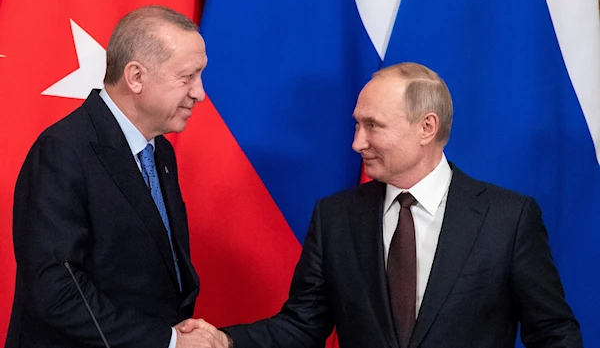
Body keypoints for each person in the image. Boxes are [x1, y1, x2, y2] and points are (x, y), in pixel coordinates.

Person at [182, 62, 583, 347]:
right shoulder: (335, 217)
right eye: (357, 124)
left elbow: (553, 333)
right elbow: (303, 326)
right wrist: (224, 340)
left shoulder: (507, 218)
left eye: (372, 125)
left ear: (426, 127)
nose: (357, 142)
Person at [5, 5, 225, 348]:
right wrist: (167, 341)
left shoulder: (160, 151)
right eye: (187, 78)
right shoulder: (63, 150)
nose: (199, 93)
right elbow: (57, 291)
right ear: (135, 77)